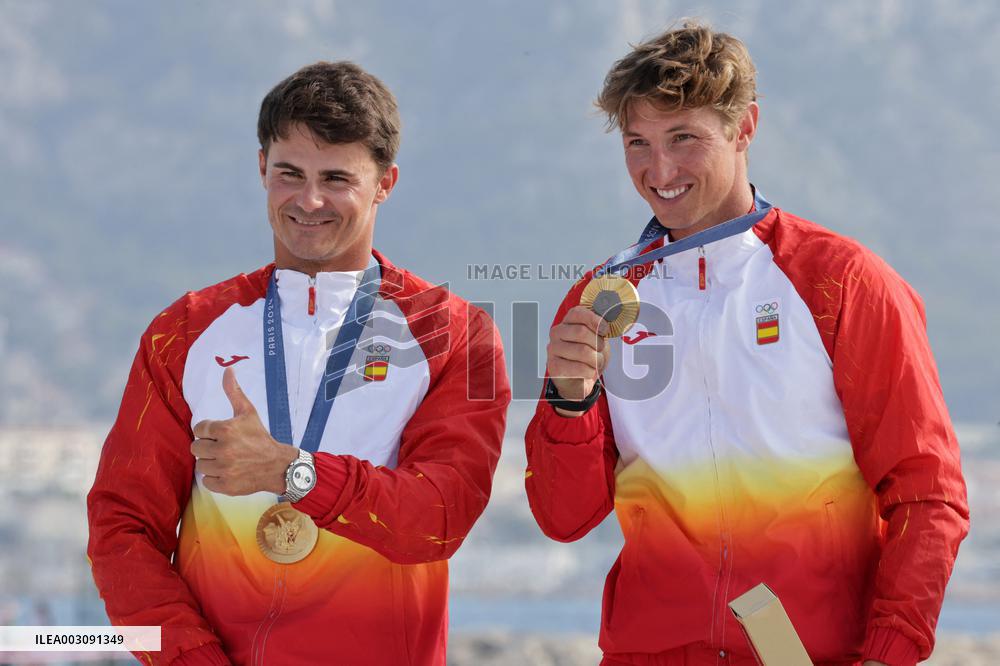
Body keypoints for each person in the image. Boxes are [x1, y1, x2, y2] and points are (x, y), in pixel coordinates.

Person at [524, 22, 968, 666]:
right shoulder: (604, 298)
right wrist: (568, 403)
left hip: (810, 653)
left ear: (745, 127)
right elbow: (564, 518)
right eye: (638, 143)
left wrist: (890, 652)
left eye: (684, 138)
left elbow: (929, 493)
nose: (659, 170)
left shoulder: (844, 283)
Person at [87, 61, 510, 666]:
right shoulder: (183, 332)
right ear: (262, 168)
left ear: (384, 183)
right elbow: (121, 528)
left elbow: (439, 518)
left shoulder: (456, 334)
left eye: (336, 178)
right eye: (289, 173)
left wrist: (293, 473)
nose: (309, 201)